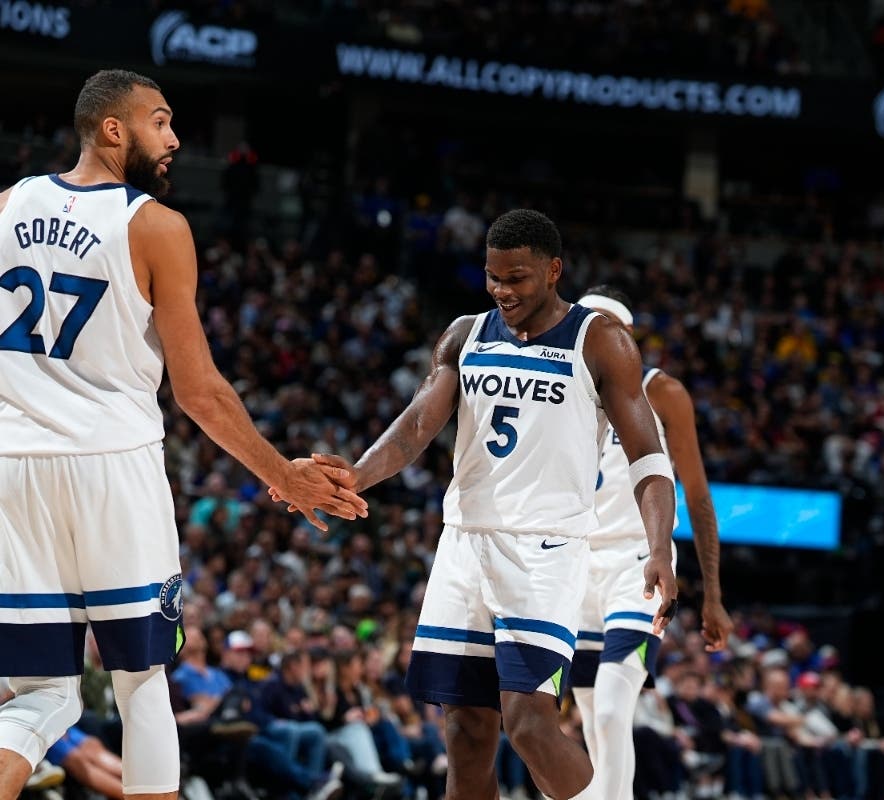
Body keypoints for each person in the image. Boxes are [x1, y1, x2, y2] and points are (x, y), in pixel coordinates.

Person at [0, 68, 366, 800]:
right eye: (160, 122)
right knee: (140, 684)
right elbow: (198, 391)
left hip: (13, 466)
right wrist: (283, 474)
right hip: (111, 466)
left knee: (42, 695)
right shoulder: (156, 226)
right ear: (114, 129)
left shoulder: (8, 205)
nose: (173, 139)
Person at [286, 209, 679, 800]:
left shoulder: (598, 340)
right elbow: (419, 422)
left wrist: (658, 547)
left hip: (545, 551)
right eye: (493, 276)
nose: (502, 290)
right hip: (464, 543)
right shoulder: (465, 334)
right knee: (466, 732)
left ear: (553, 271)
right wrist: (358, 474)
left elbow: (650, 460)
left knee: (527, 726)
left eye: (517, 278)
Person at [566, 285, 732, 800]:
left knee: (615, 709)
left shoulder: (660, 392)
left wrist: (713, 595)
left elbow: (699, 501)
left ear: (626, 338)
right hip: (574, 568)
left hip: (638, 566)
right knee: (592, 717)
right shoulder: (560, 393)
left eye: (603, 328)